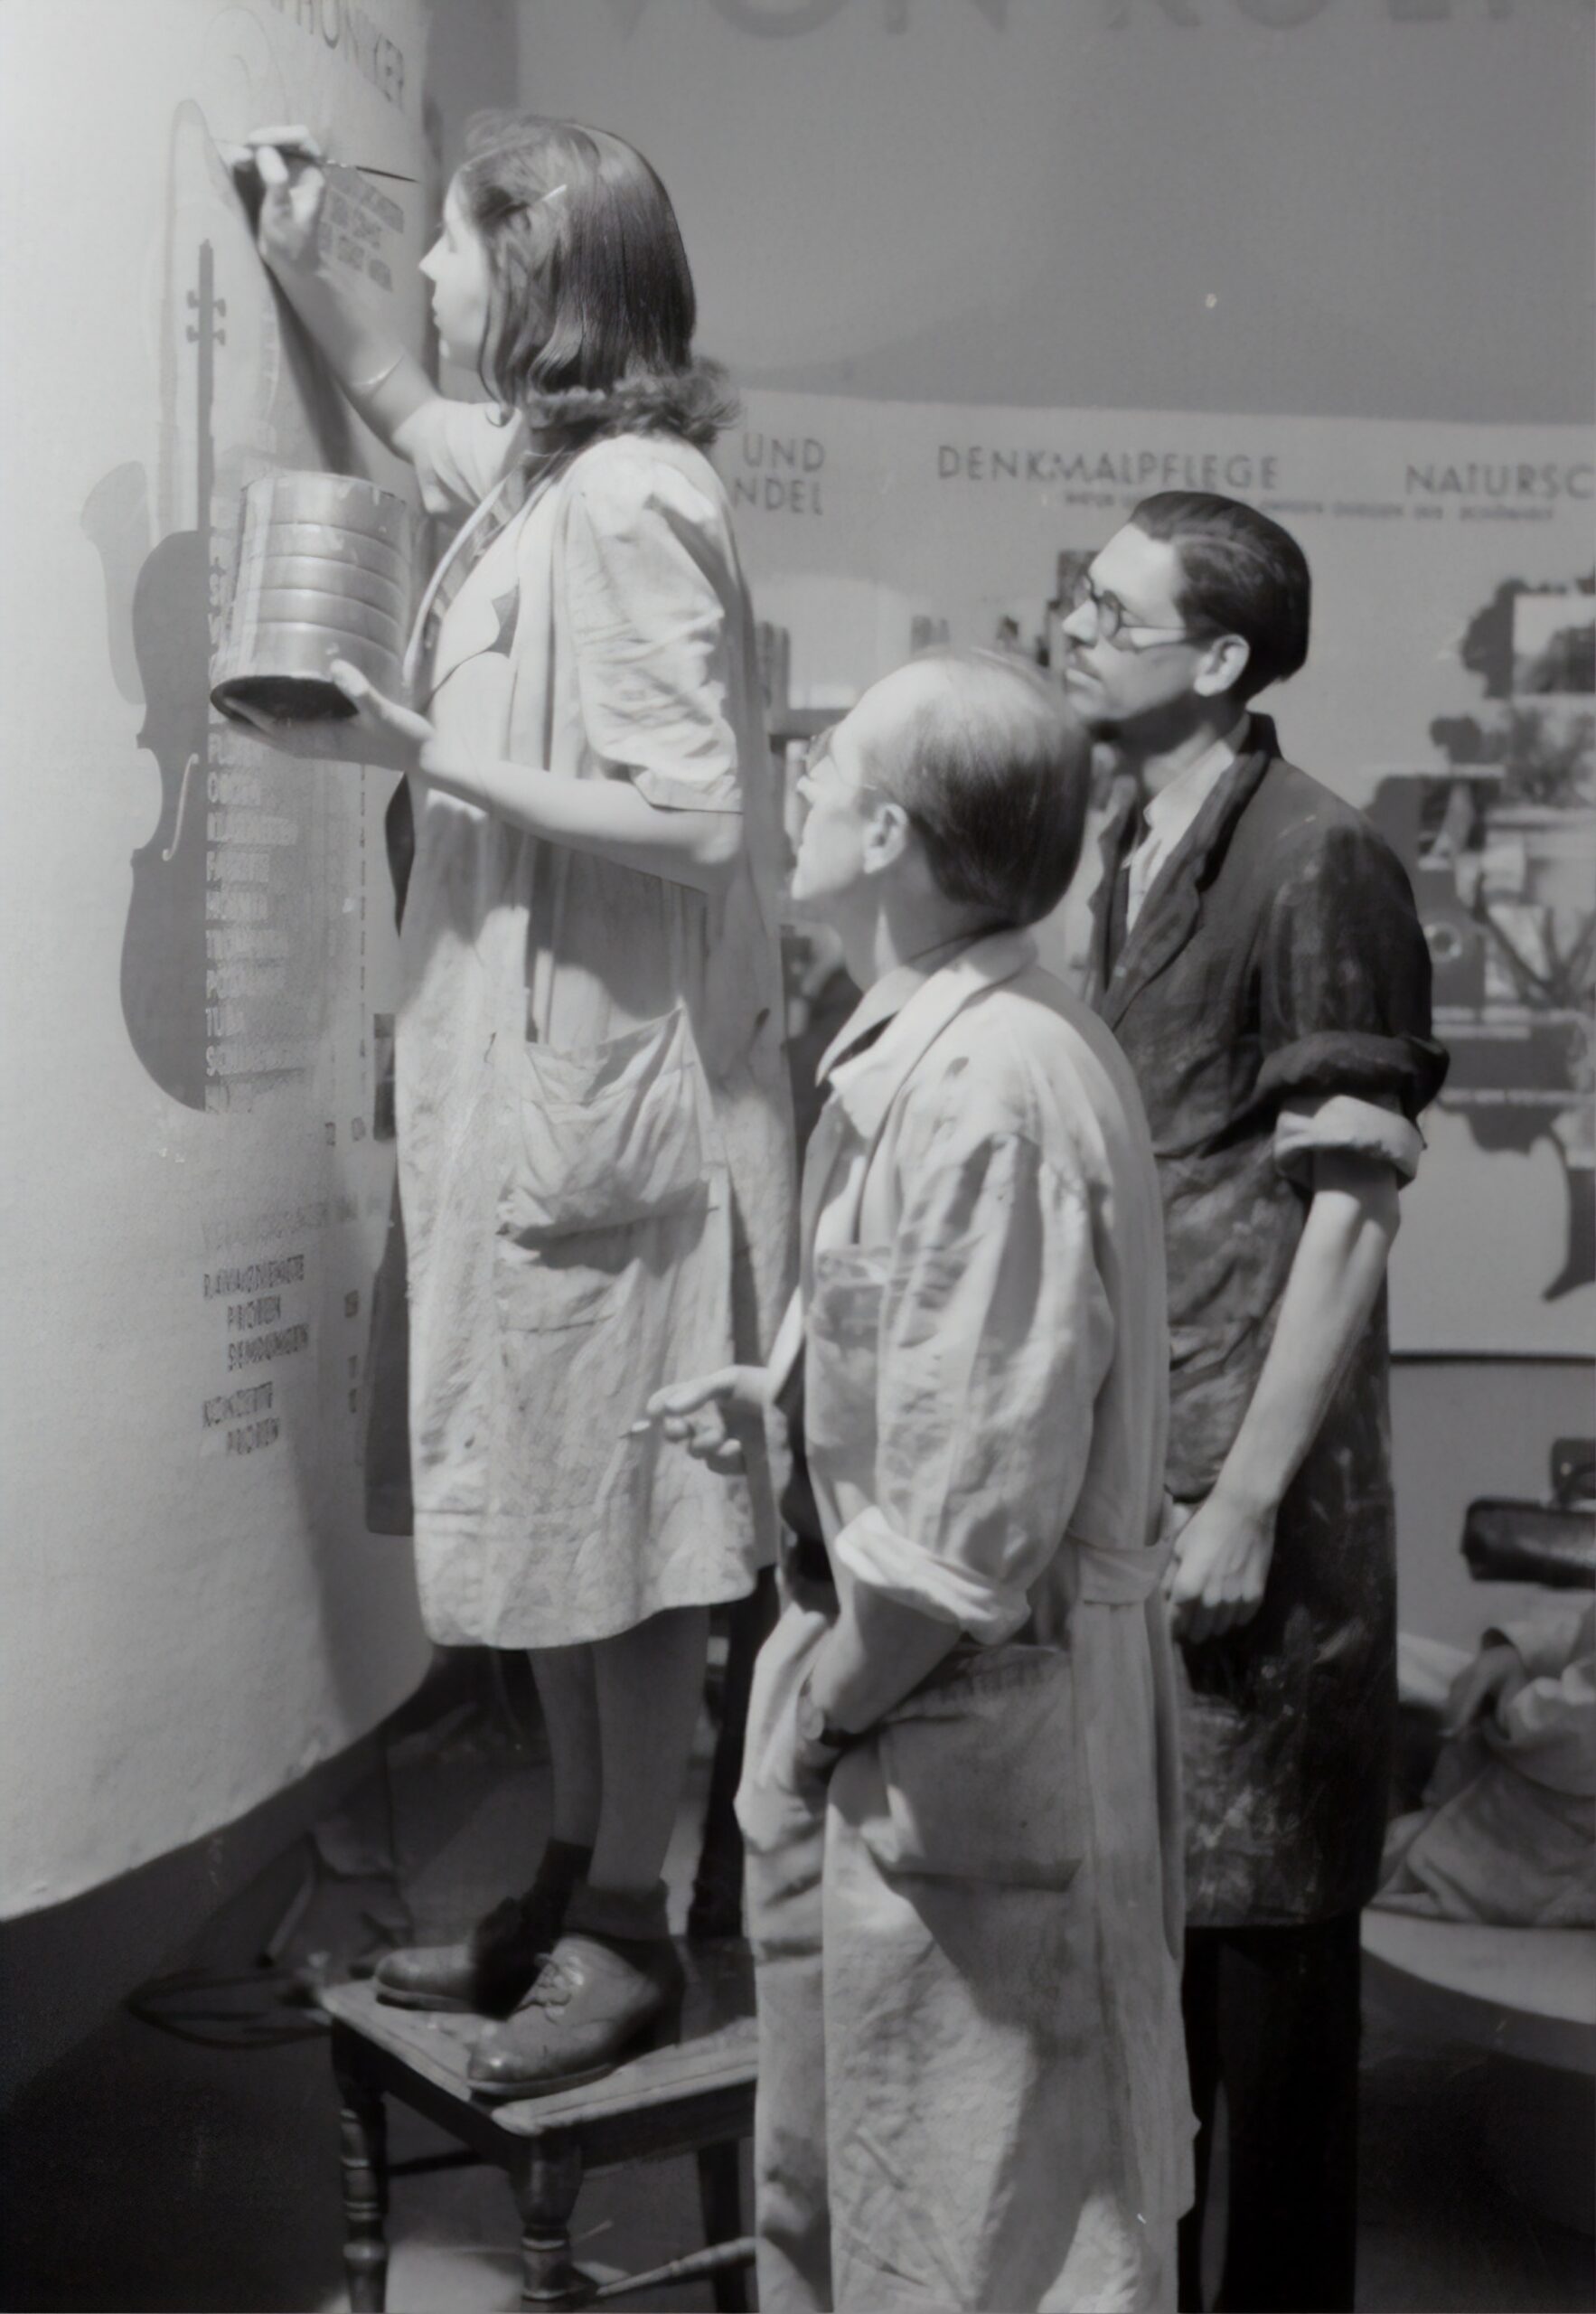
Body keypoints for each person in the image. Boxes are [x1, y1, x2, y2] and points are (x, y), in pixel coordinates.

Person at [246, 114, 793, 2092]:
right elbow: (401, 405)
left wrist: (424, 754)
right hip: (520, 1090)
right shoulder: (548, 479)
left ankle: (633, 1925)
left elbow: (691, 816)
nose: (434, 290)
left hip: (605, 1114)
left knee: (620, 1538)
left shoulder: (635, 496)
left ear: (542, 268)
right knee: (549, 1524)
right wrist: (307, 241)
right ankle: (571, 1880)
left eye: (459, 255)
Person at [652, 652, 1192, 2313]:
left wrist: (819, 1717)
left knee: (978, 2245)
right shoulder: (948, 1047)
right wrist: (800, 1384)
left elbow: (964, 1544)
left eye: (821, 782)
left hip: (946, 1728)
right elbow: (959, 1364)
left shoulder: (981, 1089)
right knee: (883, 2215)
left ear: (887, 830)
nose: (795, 802)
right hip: (922, 1722)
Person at [1061, 492, 1448, 2313]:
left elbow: (1351, 1216)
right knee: (1165, 2009)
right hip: (1153, 1474)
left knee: (1272, 2017)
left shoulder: (1314, 858)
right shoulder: (1130, 841)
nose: (1071, 628)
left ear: (1213, 659)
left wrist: (1245, 1494)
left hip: (1255, 1519)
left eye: (1108, 610)